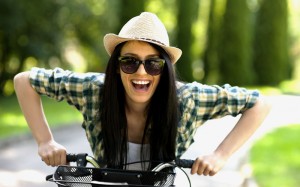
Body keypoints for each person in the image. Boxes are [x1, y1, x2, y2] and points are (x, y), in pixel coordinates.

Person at [14, 12, 270, 176]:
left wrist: (220, 155)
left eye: (153, 63)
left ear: (166, 70)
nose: (141, 72)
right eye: (129, 61)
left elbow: (259, 104)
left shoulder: (187, 100)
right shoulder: (94, 90)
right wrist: (45, 141)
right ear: (116, 67)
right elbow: (24, 80)